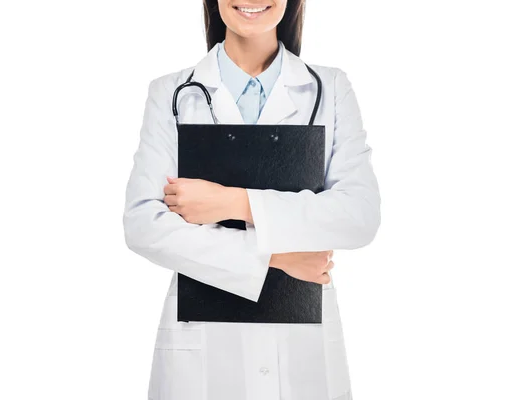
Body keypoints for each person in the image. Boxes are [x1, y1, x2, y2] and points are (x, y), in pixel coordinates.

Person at [123, 1, 381, 399]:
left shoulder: (330, 88)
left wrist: (233, 203)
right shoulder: (171, 93)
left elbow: (358, 215)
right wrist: (277, 258)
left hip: (304, 350)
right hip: (203, 349)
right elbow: (144, 226)